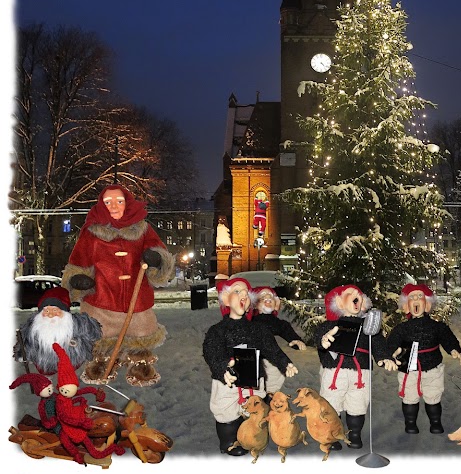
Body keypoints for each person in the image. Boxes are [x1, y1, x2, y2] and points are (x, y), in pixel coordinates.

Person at [61, 184, 175, 386]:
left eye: (119, 201)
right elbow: (79, 259)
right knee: (101, 334)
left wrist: (156, 258)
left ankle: (140, 363)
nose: (114, 206)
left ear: (127, 203)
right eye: (108, 202)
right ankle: (101, 363)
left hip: (136, 298)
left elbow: (159, 251)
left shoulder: (142, 229)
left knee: (140, 333)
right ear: (101, 204)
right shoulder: (91, 232)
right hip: (101, 298)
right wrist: (79, 278)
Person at [202, 277, 299, 456]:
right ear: (225, 299)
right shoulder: (217, 330)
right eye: (237, 291)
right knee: (227, 411)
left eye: (246, 293)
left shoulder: (258, 330)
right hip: (227, 381)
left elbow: (272, 349)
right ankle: (229, 441)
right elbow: (211, 352)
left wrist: (285, 363)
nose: (243, 296)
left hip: (253, 379)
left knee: (254, 409)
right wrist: (222, 368)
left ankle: (252, 436)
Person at [315, 284, 397, 450]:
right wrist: (323, 340)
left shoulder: (368, 326)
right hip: (334, 372)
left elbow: (378, 341)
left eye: (358, 295)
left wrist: (383, 357)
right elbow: (319, 334)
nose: (355, 297)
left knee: (358, 402)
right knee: (331, 402)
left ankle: (354, 434)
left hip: (361, 373)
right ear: (339, 303)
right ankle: (332, 436)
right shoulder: (331, 324)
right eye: (349, 294)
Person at [387, 283, 461, 435]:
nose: (416, 300)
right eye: (412, 297)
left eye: (420, 297)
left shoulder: (437, 326)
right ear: (406, 306)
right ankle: (410, 423)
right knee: (409, 397)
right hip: (408, 367)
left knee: (433, 396)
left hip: (432, 367)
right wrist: (393, 352)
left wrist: (454, 350)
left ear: (427, 305)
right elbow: (391, 343)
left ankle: (435, 422)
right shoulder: (401, 328)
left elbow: (447, 338)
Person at [13, 287, 102, 376]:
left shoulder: (78, 324)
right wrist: (22, 353)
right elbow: (25, 342)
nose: (51, 315)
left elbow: (93, 332)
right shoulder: (32, 328)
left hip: (72, 366)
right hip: (43, 368)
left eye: (55, 310)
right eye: (47, 311)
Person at [251, 285, 307, 394]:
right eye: (263, 299)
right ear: (255, 304)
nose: (268, 300)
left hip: (277, 364)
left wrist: (295, 340)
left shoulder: (279, 323)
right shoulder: (252, 323)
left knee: (272, 391)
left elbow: (287, 332)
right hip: (257, 363)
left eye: (271, 298)